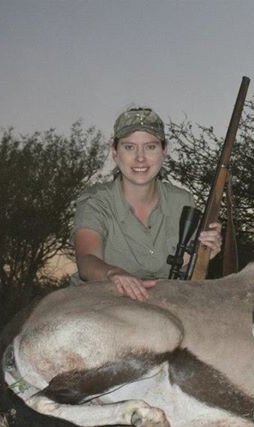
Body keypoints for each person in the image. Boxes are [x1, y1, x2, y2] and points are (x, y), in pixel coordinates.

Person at [71, 107, 222, 301]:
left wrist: (203, 255)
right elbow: (86, 261)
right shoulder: (96, 200)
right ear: (115, 153)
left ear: (164, 151)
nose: (140, 158)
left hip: (162, 303)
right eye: (129, 147)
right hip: (102, 300)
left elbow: (185, 274)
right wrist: (113, 274)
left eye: (150, 147)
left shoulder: (182, 200)